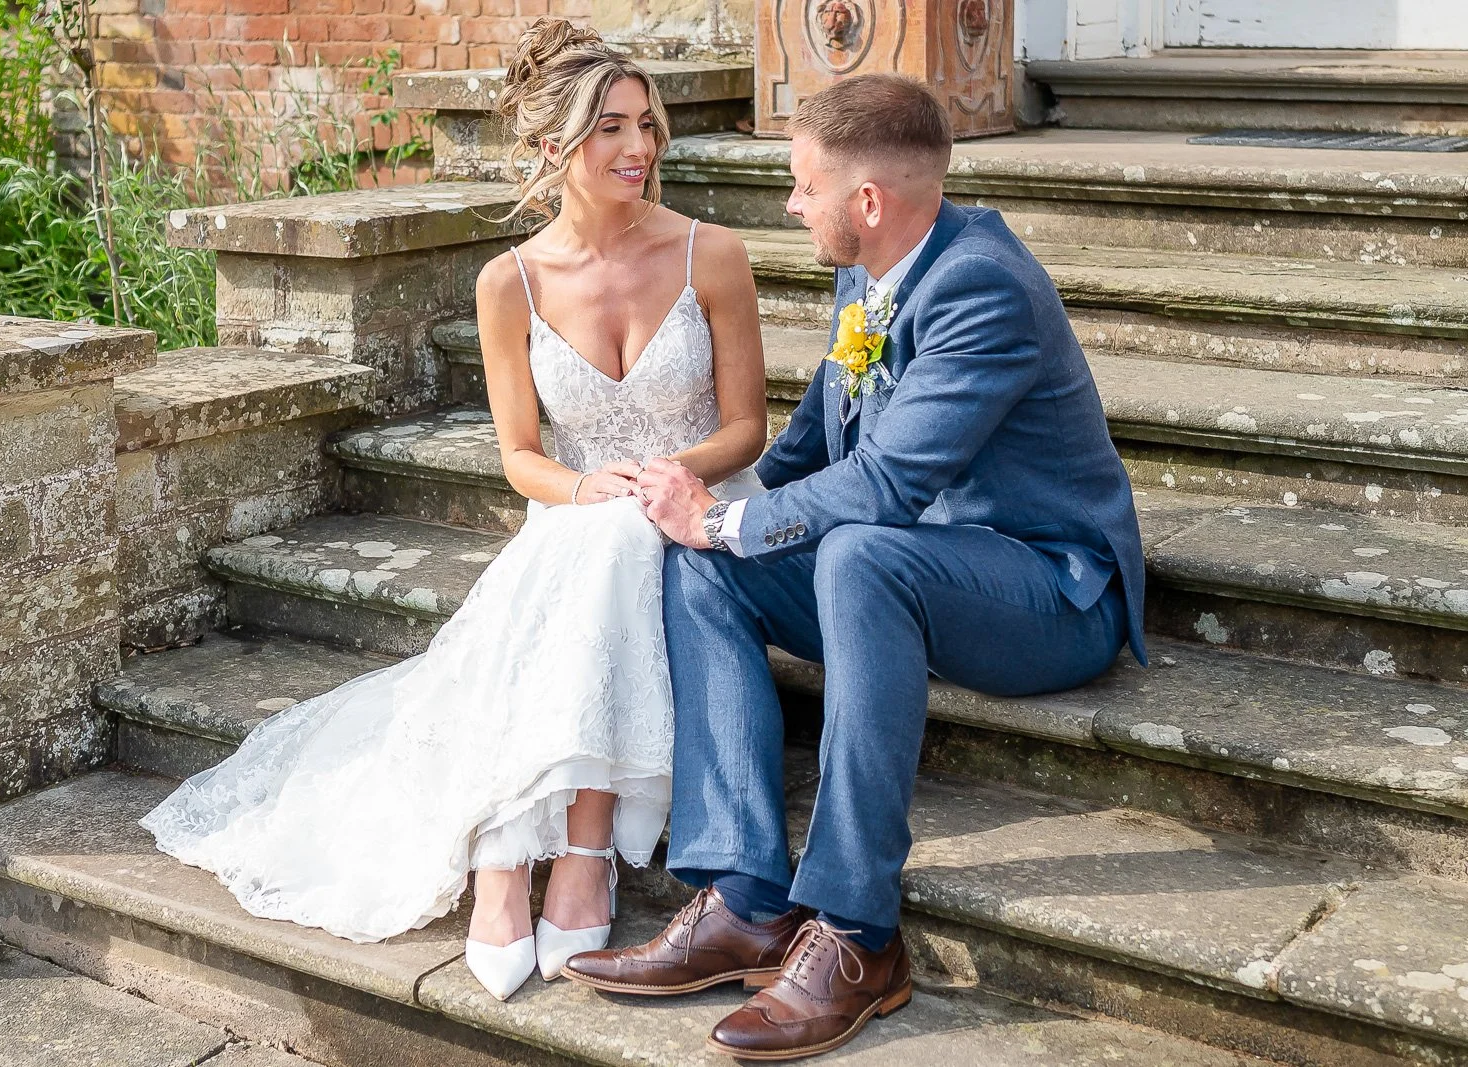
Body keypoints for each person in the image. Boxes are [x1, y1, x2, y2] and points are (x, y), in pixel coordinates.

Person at [139, 17, 767, 1002]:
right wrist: (587, 488)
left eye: (647, 124)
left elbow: (744, 432)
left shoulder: (712, 255)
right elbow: (522, 457)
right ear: (554, 142)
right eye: (609, 126)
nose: (639, 148)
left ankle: (547, 847)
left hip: (697, 503)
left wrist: (664, 478)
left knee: (605, 544)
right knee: (593, 540)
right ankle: (536, 851)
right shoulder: (506, 282)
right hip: (576, 513)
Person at [563, 73, 1147, 1061]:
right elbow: (814, 436)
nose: (792, 206)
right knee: (701, 565)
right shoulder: (869, 265)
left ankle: (858, 930)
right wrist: (703, 516)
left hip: (1046, 588)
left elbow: (883, 485)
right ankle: (746, 897)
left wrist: (728, 521)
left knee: (854, 551)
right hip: (916, 570)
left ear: (864, 200)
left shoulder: (980, 285)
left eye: (802, 186)